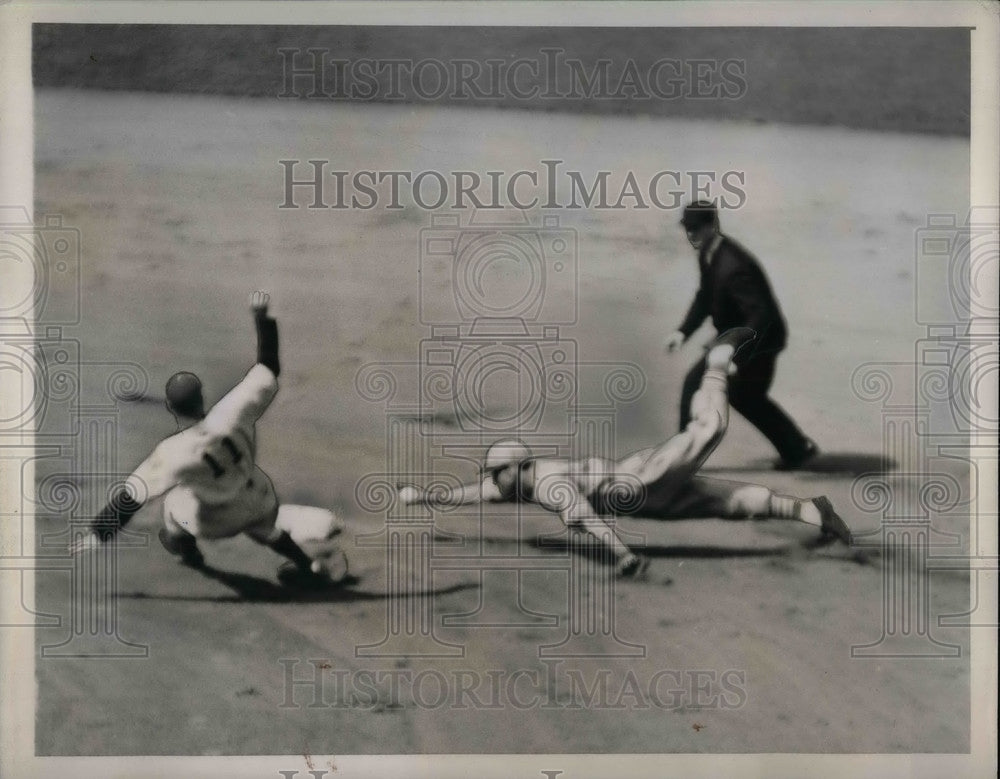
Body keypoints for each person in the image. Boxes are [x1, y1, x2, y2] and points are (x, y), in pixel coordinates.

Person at [398, 328, 851, 579]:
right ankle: (814, 512)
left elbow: (590, 522)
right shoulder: (518, 482)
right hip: (648, 501)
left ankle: (716, 362)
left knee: (707, 430)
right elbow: (471, 494)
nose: (492, 480)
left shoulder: (549, 485)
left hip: (643, 479)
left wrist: (622, 556)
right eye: (493, 474)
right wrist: (422, 498)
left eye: (496, 473)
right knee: (729, 505)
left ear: (517, 468)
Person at [70, 291, 348, 588]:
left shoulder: (174, 452)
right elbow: (268, 367)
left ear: (171, 408)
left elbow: (133, 496)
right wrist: (261, 317)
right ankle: (308, 566)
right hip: (260, 498)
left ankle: (189, 555)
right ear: (202, 397)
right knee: (268, 530)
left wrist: (99, 533)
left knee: (173, 507)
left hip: (217, 521)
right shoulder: (232, 411)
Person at [664, 200, 817, 469]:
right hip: (737, 338)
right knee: (745, 396)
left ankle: (680, 463)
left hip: (760, 341)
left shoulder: (734, 266)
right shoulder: (709, 253)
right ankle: (798, 449)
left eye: (696, 229)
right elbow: (704, 298)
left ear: (712, 226)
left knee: (713, 387)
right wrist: (682, 331)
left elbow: (761, 316)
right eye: (687, 229)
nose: (691, 235)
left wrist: (736, 354)